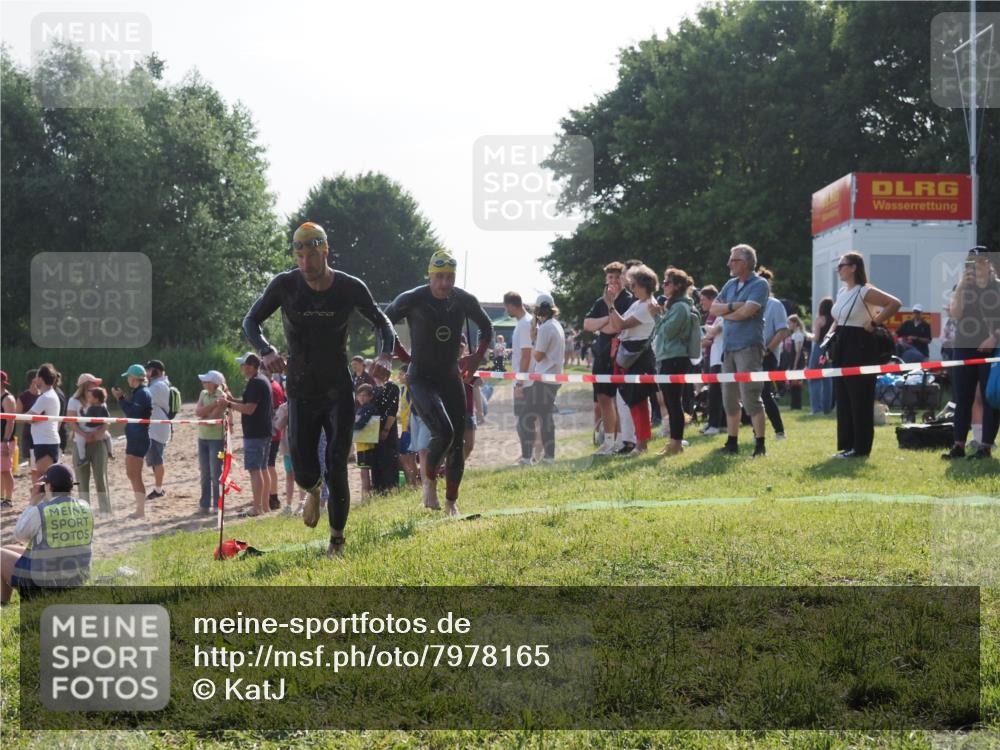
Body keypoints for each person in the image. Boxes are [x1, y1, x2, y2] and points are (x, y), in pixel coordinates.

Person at [243, 222, 396, 556]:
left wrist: (385, 354)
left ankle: (337, 540)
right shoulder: (285, 285)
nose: (305, 263)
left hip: (336, 389)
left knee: (337, 462)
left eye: (312, 255)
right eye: (299, 255)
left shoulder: (349, 287)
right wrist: (266, 350)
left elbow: (382, 322)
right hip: (300, 389)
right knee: (304, 470)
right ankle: (313, 492)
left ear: (325, 251)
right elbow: (250, 321)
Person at [385, 249, 493, 516]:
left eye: (450, 277)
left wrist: (476, 357)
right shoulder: (413, 298)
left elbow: (487, 327)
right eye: (439, 277)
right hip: (420, 377)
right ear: (430, 275)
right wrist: (401, 356)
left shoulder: (463, 300)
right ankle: (429, 483)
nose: (445, 283)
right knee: (443, 433)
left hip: (449, 377)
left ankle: (451, 503)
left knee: (457, 444)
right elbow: (384, 323)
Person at [825, 251, 901, 458]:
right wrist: (829, 337)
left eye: (842, 265)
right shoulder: (842, 292)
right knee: (844, 397)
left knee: (860, 398)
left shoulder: (865, 291)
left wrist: (875, 322)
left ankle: (861, 448)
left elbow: (894, 303)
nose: (838, 269)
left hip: (860, 346)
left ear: (854, 267)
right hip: (842, 345)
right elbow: (837, 318)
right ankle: (847, 445)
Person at [709, 244, 771, 457]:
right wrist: (735, 307)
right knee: (729, 397)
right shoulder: (730, 284)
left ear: (744, 263)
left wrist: (728, 311)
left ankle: (760, 444)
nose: (728, 263)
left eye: (733, 260)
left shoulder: (760, 284)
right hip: (729, 348)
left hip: (749, 347)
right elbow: (713, 308)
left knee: (751, 396)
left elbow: (748, 312)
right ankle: (732, 442)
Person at [1, 464, 93, 604]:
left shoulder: (42, 510)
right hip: (76, 579)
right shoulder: (85, 507)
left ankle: (3, 602)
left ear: (49, 486)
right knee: (8, 548)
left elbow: (19, 535)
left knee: (1, 555)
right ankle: (3, 602)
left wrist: (33, 502)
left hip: (45, 586)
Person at [942, 247, 1000, 460]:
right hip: (964, 346)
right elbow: (956, 314)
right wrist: (960, 288)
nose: (976, 266)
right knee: (962, 397)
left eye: (980, 261)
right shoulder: (963, 287)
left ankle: (985, 447)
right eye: (971, 262)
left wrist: (994, 337)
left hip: (991, 349)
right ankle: (958, 446)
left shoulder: (997, 287)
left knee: (989, 397)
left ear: (988, 262)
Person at [605, 266, 659, 456]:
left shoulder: (647, 306)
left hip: (638, 358)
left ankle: (642, 444)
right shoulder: (637, 304)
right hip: (628, 356)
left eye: (634, 284)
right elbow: (616, 326)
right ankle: (636, 441)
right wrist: (611, 308)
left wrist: (610, 305)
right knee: (630, 401)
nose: (632, 288)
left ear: (644, 285)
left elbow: (619, 324)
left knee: (638, 402)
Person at [585, 262, 635, 455]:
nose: (613, 281)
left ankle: (622, 439)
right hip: (601, 355)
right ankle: (608, 441)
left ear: (624, 279)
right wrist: (606, 319)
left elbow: (617, 328)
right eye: (610, 277)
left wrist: (605, 321)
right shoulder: (601, 301)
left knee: (618, 400)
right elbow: (587, 324)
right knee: (603, 399)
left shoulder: (629, 300)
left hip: (619, 356)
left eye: (617, 277)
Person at [652, 267, 697, 456]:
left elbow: (668, 332)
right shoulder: (676, 305)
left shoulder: (680, 307)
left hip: (675, 359)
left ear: (677, 286)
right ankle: (674, 442)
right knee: (671, 403)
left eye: (667, 282)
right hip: (669, 358)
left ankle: (676, 444)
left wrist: (656, 315)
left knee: (673, 403)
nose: (663, 286)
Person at [517, 294, 565, 463]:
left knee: (525, 418)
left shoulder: (545, 328)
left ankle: (526, 457)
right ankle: (549, 457)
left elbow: (537, 356)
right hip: (553, 378)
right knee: (545, 418)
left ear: (538, 311)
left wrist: (533, 338)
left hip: (544, 379)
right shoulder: (556, 325)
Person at [224, 353, 274, 517]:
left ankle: (257, 507)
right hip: (264, 430)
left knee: (255, 470)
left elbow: (249, 409)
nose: (241, 368)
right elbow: (248, 404)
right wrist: (232, 400)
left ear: (251, 366)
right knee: (263, 468)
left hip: (255, 432)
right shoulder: (262, 380)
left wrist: (229, 404)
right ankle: (265, 506)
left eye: (243, 365)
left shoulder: (255, 383)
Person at [113, 364, 153, 518]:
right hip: (136, 437)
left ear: (134, 378)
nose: (127, 380)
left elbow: (132, 414)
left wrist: (120, 398)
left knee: (134, 475)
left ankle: (140, 510)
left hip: (138, 438)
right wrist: (122, 398)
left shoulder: (142, 393)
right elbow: (133, 412)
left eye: (128, 377)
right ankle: (140, 509)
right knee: (132, 474)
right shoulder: (140, 392)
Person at [757, 267, 789, 440]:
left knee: (764, 394)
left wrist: (767, 349)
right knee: (753, 395)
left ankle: (779, 431)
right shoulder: (752, 304)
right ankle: (758, 432)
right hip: (751, 355)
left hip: (768, 356)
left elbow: (782, 331)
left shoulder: (775, 305)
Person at [194, 370, 230, 515]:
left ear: (214, 383)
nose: (203, 383)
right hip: (202, 438)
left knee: (216, 473)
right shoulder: (203, 393)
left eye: (206, 381)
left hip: (217, 439)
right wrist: (210, 407)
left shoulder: (222, 396)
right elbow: (198, 411)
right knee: (204, 473)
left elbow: (212, 418)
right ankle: (204, 504)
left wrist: (205, 415)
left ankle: (217, 504)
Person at [26, 365, 62, 503]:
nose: (34, 380)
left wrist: (21, 416)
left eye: (36, 377)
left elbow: (30, 418)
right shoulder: (47, 395)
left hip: (46, 442)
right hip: (44, 441)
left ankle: (41, 505)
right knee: (43, 478)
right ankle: (41, 504)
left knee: (44, 479)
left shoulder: (46, 397)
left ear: (41, 378)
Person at [75, 387, 112, 518]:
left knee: (99, 477)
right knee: (82, 480)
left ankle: (105, 510)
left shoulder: (100, 405)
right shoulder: (73, 401)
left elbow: (107, 422)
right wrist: (84, 435)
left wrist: (96, 435)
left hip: (97, 440)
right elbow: (70, 421)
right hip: (82, 438)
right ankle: (84, 511)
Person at [505, 292, 533, 458]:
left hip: (525, 381)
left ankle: (526, 456)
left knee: (523, 421)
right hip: (525, 379)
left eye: (505, 307)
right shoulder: (525, 322)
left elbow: (526, 355)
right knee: (524, 420)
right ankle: (527, 455)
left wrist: (520, 382)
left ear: (510, 305)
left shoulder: (524, 324)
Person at [143, 360, 171, 501]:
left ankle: (159, 489)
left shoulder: (158, 385)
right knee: (155, 460)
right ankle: (159, 488)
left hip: (157, 429)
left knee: (157, 460)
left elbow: (144, 399)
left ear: (156, 371)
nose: (146, 373)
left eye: (148, 370)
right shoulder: (158, 384)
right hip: (156, 427)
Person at [698, 286, 724, 435]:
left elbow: (712, 333)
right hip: (711, 357)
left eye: (703, 300)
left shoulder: (720, 315)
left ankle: (715, 425)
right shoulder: (712, 315)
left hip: (719, 359)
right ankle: (713, 423)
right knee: (712, 393)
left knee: (716, 393)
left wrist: (707, 329)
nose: (701, 304)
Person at [371, 367, 400, 493]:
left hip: (386, 427)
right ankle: (379, 488)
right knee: (376, 459)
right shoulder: (375, 389)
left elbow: (392, 410)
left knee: (388, 457)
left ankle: (391, 486)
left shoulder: (392, 387)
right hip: (374, 429)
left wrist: (386, 429)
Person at [264, 366, 286, 510]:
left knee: (269, 466)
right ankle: (271, 495)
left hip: (272, 432)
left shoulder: (271, 387)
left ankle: (273, 497)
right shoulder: (275, 385)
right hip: (274, 431)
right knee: (269, 465)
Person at [808, 297, 834, 415]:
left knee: (814, 378)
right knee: (827, 379)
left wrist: (808, 335)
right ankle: (827, 408)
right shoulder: (834, 320)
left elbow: (816, 338)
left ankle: (816, 408)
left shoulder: (820, 319)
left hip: (819, 349)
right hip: (829, 350)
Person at [353, 383, 378, 499]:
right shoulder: (360, 408)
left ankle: (366, 495)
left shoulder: (369, 408)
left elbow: (360, 424)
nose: (361, 398)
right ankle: (366, 494)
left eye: (364, 395)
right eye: (360, 395)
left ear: (370, 397)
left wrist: (348, 426)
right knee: (364, 471)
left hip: (367, 445)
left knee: (365, 471)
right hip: (361, 444)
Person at [396, 366, 420, 486]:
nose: (398, 377)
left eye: (401, 374)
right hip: (404, 427)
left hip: (409, 427)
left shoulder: (410, 388)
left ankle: (414, 482)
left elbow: (412, 407)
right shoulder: (403, 389)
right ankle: (411, 480)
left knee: (410, 457)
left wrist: (410, 421)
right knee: (403, 456)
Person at [784, 315, 809, 411]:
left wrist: (795, 365)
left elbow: (798, 351)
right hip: (794, 360)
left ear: (795, 323)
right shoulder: (795, 334)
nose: (788, 325)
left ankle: (796, 405)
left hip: (797, 361)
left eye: (789, 323)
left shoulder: (798, 335)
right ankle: (794, 404)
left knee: (796, 383)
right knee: (793, 383)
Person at [1, 372, 16, 509]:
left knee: (6, 470)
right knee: (1, 470)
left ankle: (9, 499)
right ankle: (1, 498)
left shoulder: (7, 399)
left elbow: (10, 422)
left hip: (5, 440)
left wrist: (5, 440)